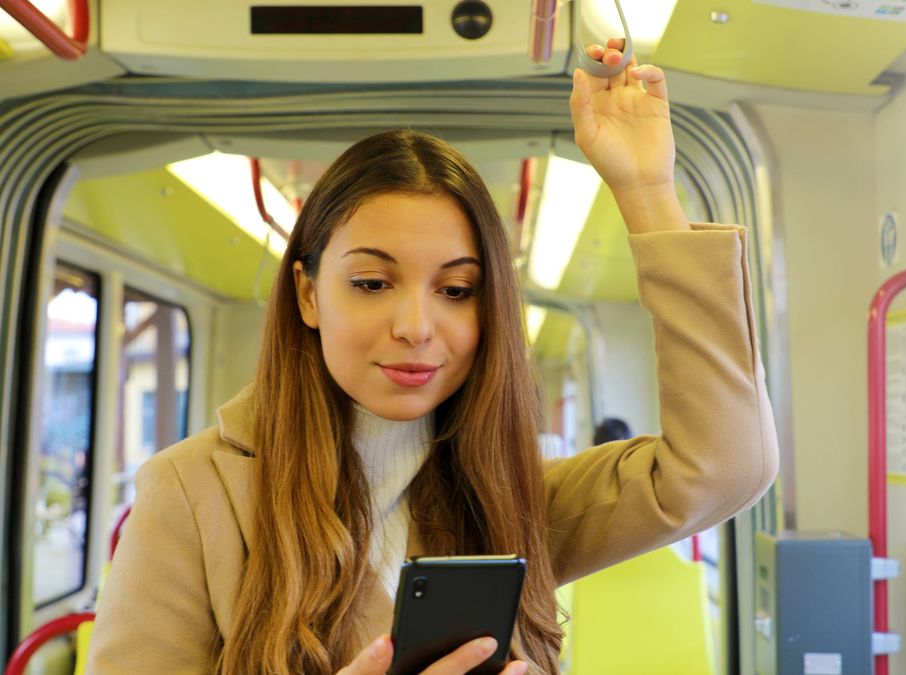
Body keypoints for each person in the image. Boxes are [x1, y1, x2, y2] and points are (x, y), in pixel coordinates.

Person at [86, 40, 778, 675]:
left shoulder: (516, 494)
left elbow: (724, 467)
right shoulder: (192, 495)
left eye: (456, 289)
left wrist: (648, 192)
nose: (417, 326)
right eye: (371, 283)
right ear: (307, 294)